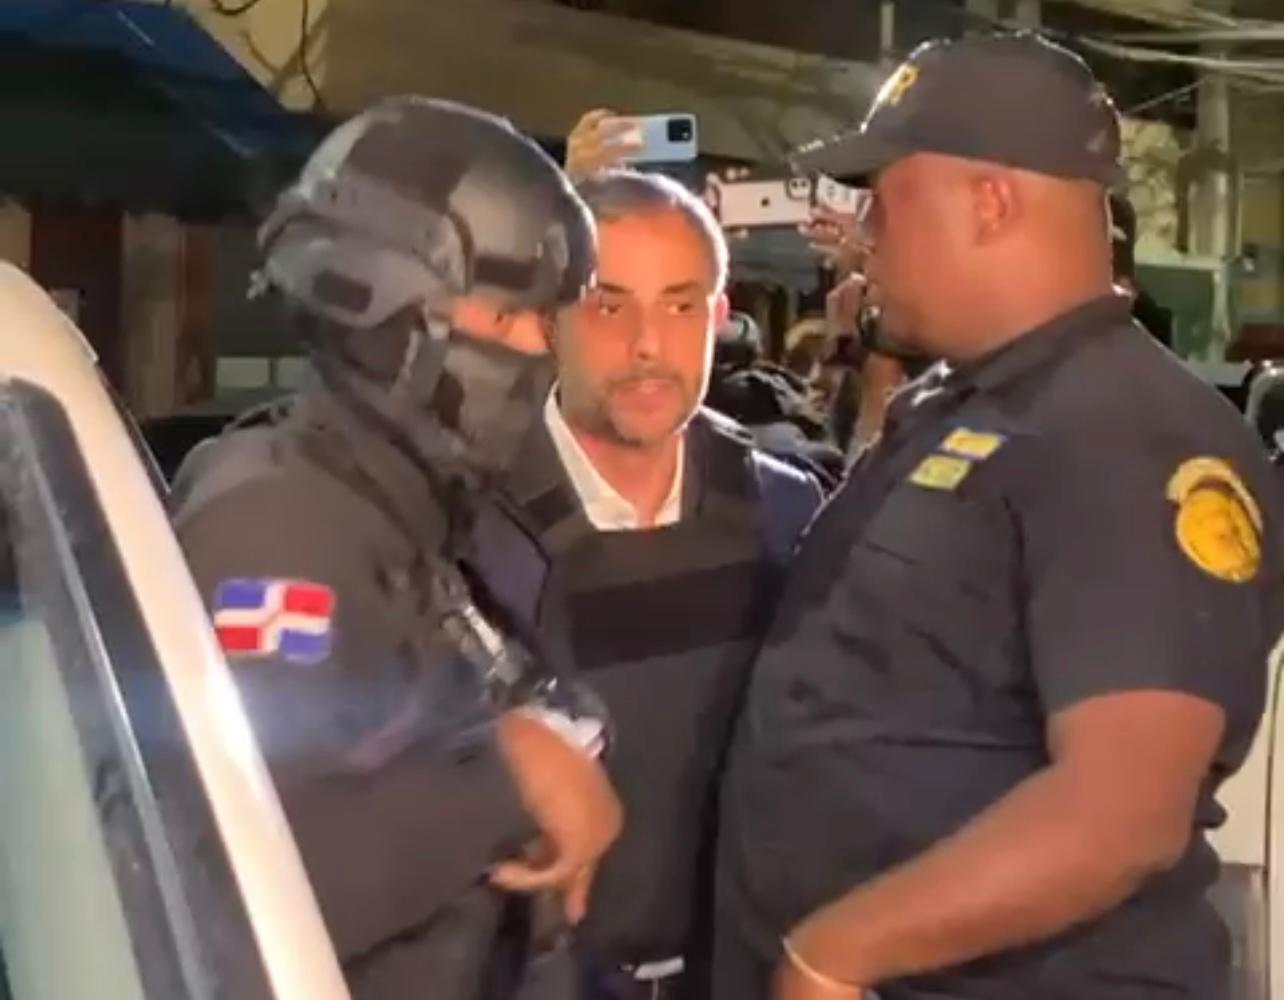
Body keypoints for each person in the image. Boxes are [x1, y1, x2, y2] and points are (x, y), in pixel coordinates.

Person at [717, 32, 1284, 1000]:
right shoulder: (973, 404)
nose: (865, 233)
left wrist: (839, 952)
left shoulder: (1126, 435)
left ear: (989, 202)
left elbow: (1120, 813)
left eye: (884, 198)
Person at [171, 96, 622, 1000]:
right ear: (382, 304)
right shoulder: (279, 527)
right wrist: (506, 780)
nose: (541, 350)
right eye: (510, 317)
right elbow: (236, 880)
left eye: (547, 320)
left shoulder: (409, 504)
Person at [471, 146, 822, 999]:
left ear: (720, 317)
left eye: (681, 305)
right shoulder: (457, 516)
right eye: (608, 305)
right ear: (549, 316)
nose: (648, 345)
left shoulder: (785, 510)